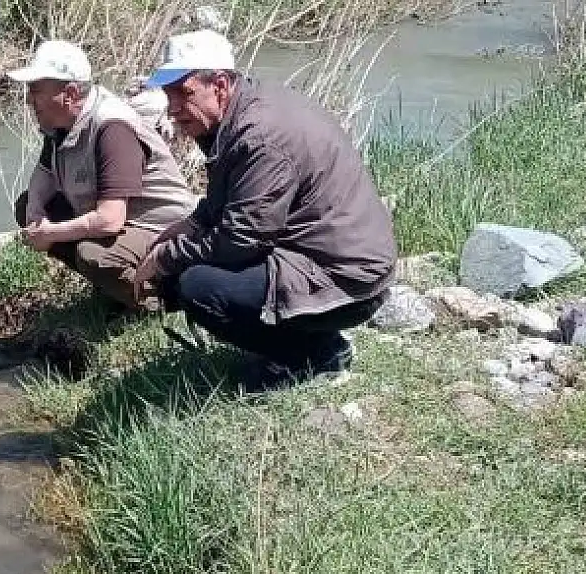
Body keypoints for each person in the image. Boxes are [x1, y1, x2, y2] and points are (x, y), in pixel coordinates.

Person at [133, 29, 398, 389]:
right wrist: (190, 225)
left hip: (347, 280)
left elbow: (242, 238)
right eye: (168, 94)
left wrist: (167, 257)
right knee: (182, 270)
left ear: (221, 85)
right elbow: (234, 197)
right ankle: (298, 342)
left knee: (197, 286)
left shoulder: (259, 135)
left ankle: (315, 356)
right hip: (324, 253)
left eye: (185, 92)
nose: (174, 107)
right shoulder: (243, 111)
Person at [7, 40, 198, 311]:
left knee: (96, 254)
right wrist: (36, 212)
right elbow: (45, 171)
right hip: (122, 222)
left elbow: (109, 220)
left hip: (162, 229)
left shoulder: (112, 127)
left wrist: (50, 232)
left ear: (69, 93)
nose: (29, 99)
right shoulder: (61, 122)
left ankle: (161, 302)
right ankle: (115, 288)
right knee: (27, 205)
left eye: (36, 90)